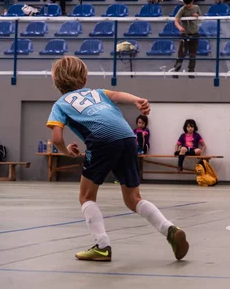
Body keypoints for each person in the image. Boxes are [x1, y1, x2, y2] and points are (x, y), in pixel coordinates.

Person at [46, 56, 189, 261]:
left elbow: (57, 137)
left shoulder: (60, 104)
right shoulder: (97, 93)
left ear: (57, 82)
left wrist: (67, 152)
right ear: (85, 78)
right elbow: (117, 95)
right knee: (133, 199)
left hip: (102, 140)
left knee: (86, 196)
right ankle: (170, 230)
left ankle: (102, 246)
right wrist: (136, 100)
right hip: (128, 137)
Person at [173, 0, 202, 78]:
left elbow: (201, 17)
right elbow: (176, 20)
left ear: (192, 1)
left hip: (195, 34)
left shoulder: (197, 8)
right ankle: (176, 71)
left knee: (193, 54)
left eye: (189, 4)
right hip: (185, 35)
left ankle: (191, 71)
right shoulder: (182, 9)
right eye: (186, 4)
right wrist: (180, 28)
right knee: (181, 53)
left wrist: (197, 16)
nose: (187, 5)